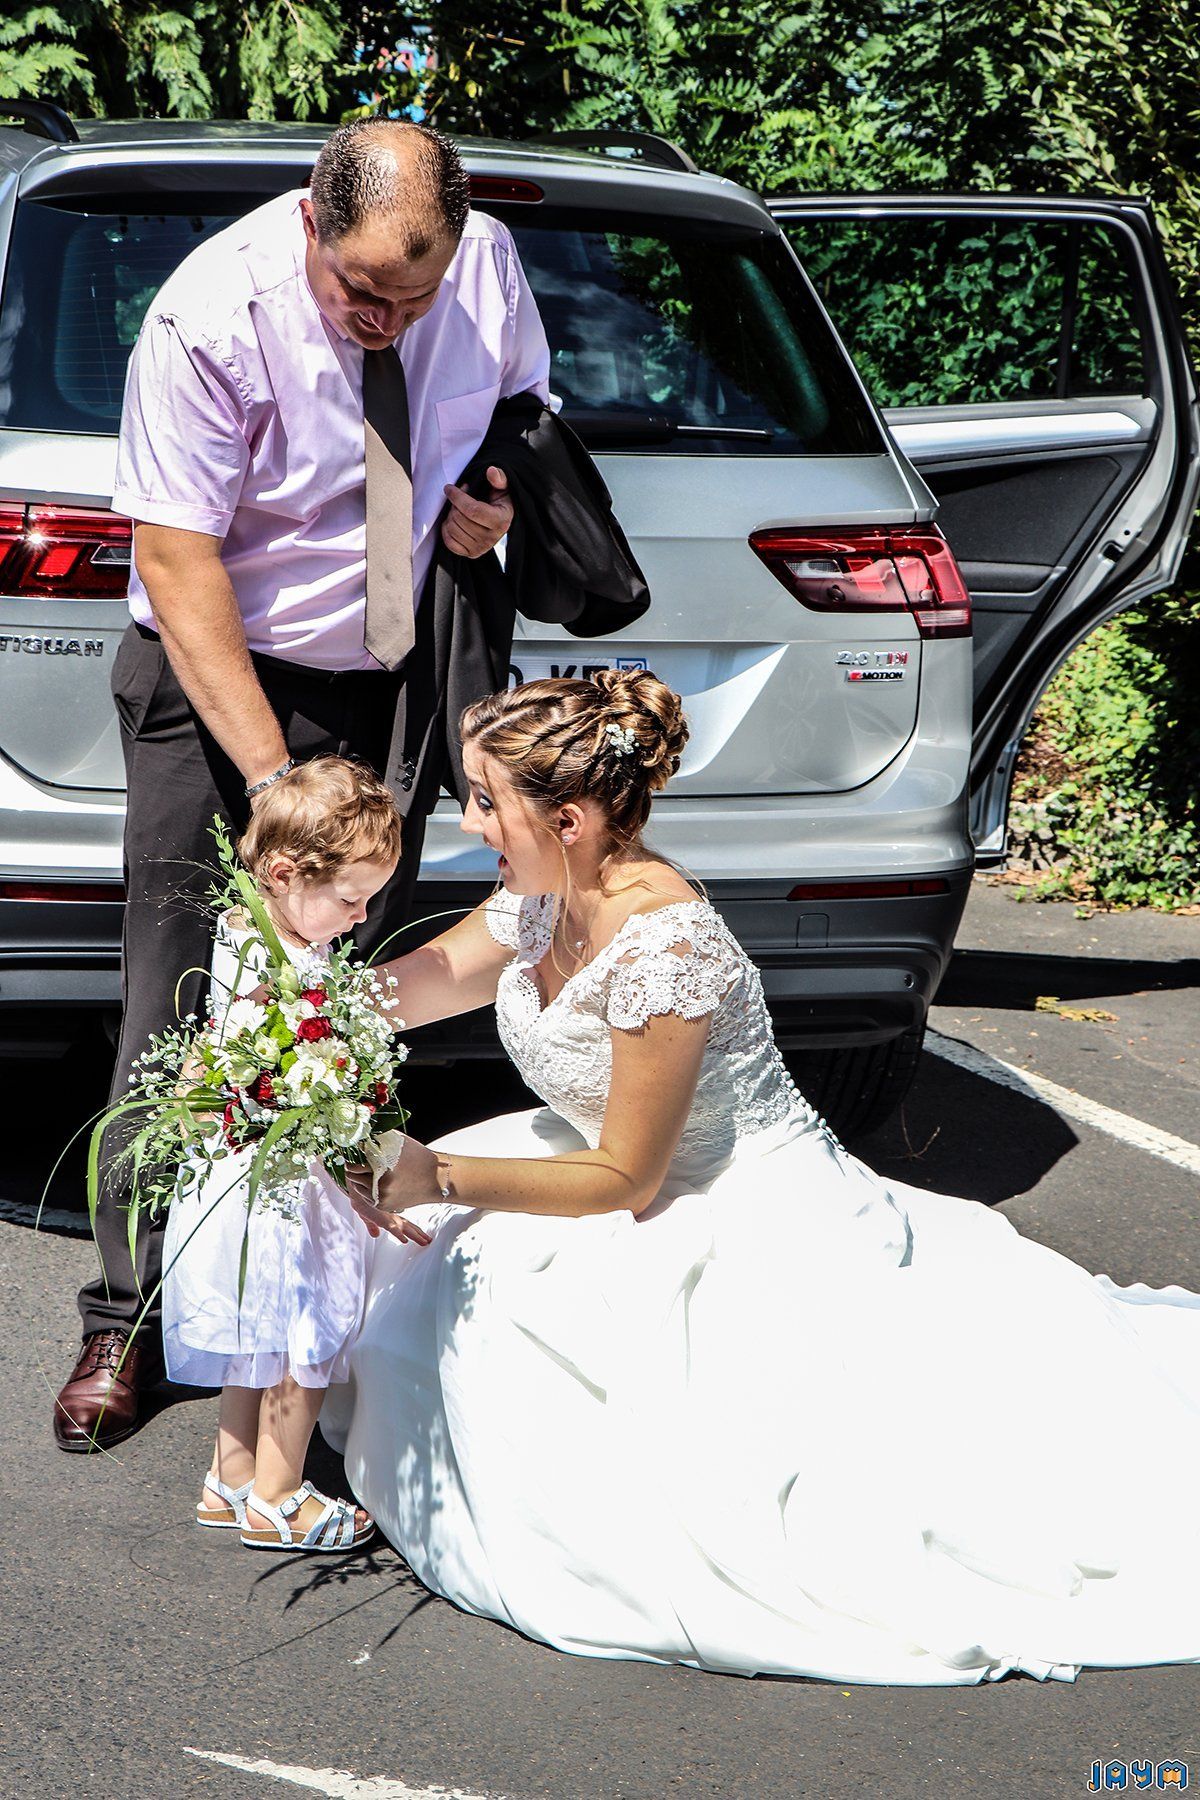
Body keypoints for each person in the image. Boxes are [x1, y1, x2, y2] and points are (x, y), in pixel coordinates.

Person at [318, 668, 1200, 1684]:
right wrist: (296, 1021)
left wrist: (438, 1173)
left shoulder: (665, 948)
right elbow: (425, 982)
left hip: (733, 1204)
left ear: (568, 821)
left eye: (486, 802)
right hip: (594, 1157)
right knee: (440, 1313)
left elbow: (627, 1178)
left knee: (734, 1456)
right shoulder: (540, 889)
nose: (471, 824)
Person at [54, 117, 648, 1450]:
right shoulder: (212, 316)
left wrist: (490, 503)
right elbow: (178, 564)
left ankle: (315, 1313)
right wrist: (277, 785)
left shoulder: (483, 267)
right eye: (360, 293)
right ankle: (126, 1316)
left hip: (387, 672)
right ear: (311, 224)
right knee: (178, 1001)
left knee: (345, 1005)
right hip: (220, 679)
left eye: (412, 301)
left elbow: (514, 415)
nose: (385, 321)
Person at [162, 758, 432, 1552]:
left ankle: (232, 1476)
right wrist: (361, 1180)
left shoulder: (249, 932)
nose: (361, 916)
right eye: (350, 898)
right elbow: (280, 1085)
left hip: (245, 1171)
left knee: (258, 1328)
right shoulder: (279, 974)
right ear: (283, 873)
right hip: (286, 1183)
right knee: (304, 1328)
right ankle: (279, 1496)